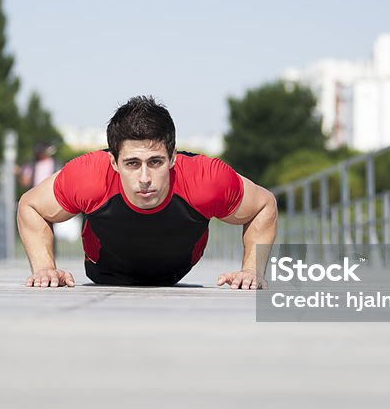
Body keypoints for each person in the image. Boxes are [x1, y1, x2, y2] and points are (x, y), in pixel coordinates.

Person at [17, 95, 278, 289]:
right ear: (113, 162)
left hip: (174, 273)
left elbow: (264, 205)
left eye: (155, 162)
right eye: (132, 164)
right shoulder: (89, 176)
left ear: (173, 158)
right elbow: (30, 206)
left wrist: (252, 270)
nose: (144, 178)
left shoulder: (205, 179)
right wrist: (45, 270)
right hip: (105, 273)